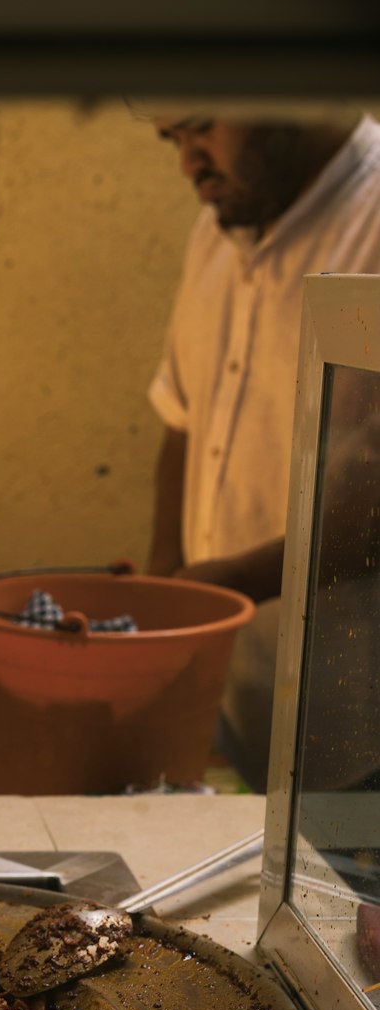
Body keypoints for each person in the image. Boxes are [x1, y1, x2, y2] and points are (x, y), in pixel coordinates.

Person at [146, 111, 380, 790]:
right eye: (172, 140)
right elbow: (183, 419)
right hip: (240, 715)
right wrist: (158, 608)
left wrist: (227, 587)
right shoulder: (221, 227)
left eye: (200, 128)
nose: (189, 163)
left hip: (359, 742)